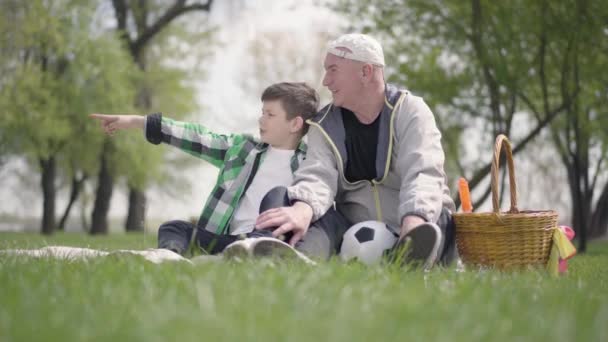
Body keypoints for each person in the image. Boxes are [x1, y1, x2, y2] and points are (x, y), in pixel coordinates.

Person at [255, 34, 457, 268]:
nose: (325, 81)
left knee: (435, 219)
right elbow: (317, 175)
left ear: (366, 72)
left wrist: (413, 222)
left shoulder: (411, 111)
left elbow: (423, 173)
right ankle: (293, 260)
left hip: (415, 222)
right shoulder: (323, 124)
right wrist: (303, 209)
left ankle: (409, 257)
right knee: (302, 210)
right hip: (352, 226)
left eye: (333, 70)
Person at [91, 82, 320, 258]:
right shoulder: (242, 150)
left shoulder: (310, 165)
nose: (261, 119)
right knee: (174, 229)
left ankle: (256, 252)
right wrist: (137, 122)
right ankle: (169, 258)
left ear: (295, 124)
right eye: (262, 112)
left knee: (278, 195)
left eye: (270, 114)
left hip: (266, 240)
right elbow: (197, 136)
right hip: (226, 240)